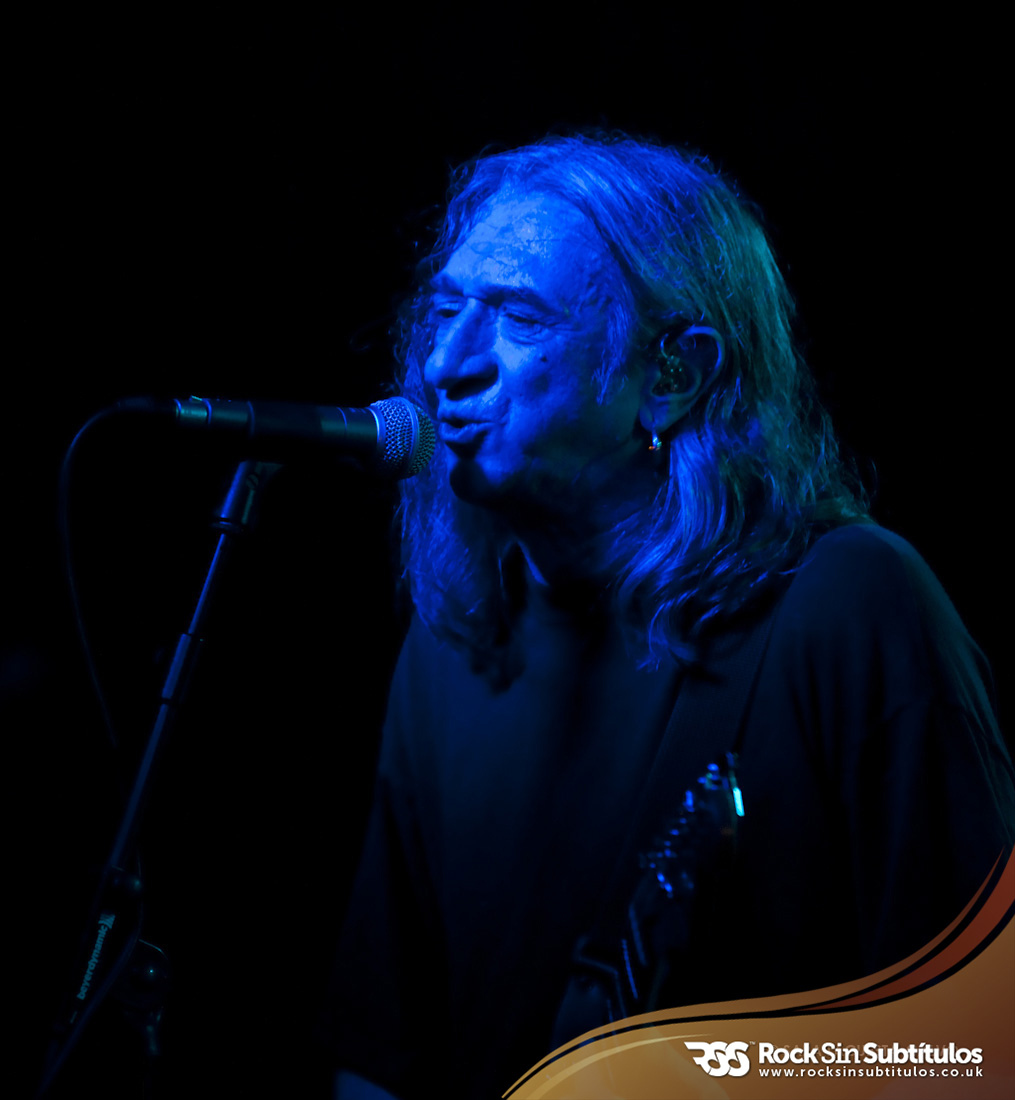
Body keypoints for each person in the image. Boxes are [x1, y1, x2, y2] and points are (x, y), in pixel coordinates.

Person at [325, 132, 1014, 1099]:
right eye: (444, 311)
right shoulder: (456, 643)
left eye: (518, 317)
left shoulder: (847, 606)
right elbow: (378, 1057)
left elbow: (969, 1044)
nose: (444, 364)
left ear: (673, 376)